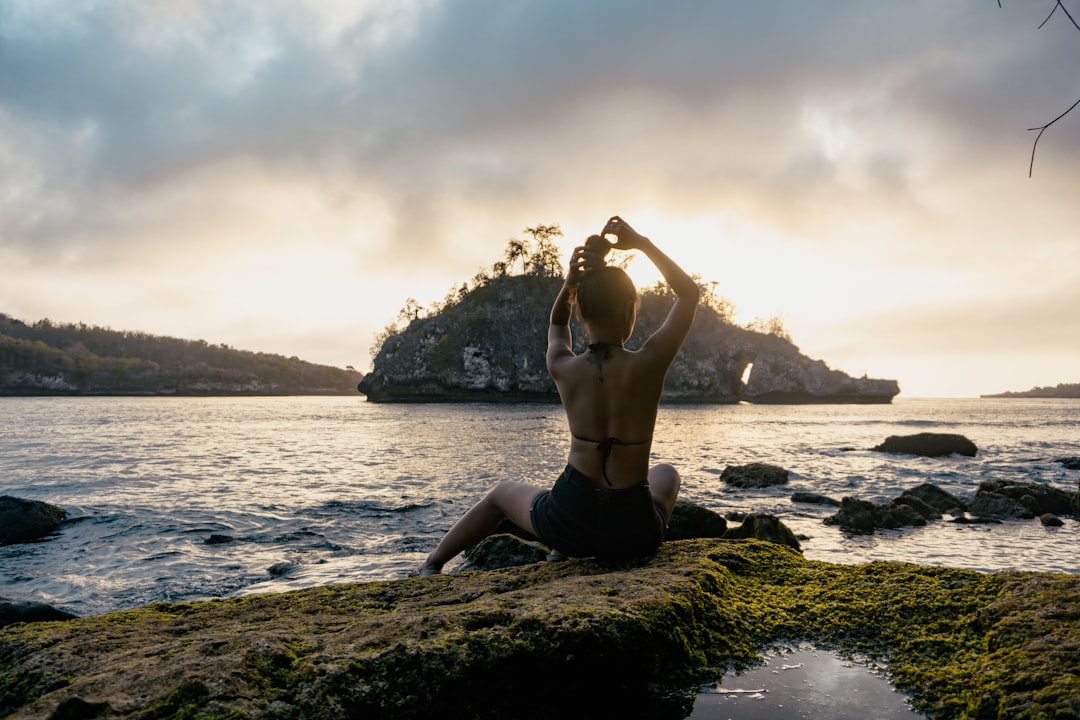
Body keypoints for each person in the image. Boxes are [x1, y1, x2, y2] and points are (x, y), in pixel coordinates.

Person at [411, 215, 699, 575]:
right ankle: (597, 541)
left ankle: (432, 565)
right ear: (629, 311)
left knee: (501, 494)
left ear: (581, 313)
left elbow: (557, 325)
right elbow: (689, 293)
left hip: (568, 525)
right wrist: (641, 243)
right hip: (635, 533)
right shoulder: (650, 362)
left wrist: (570, 282)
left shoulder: (563, 365)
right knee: (666, 473)